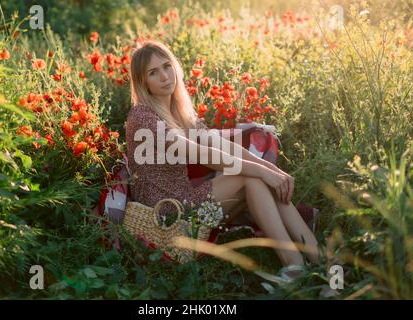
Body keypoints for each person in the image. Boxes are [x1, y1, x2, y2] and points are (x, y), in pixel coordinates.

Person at [125, 40, 321, 273]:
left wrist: (274, 172)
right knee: (250, 178)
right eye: (153, 73)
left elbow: (222, 146)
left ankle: (319, 259)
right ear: (143, 82)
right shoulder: (142, 116)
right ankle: (296, 265)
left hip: (185, 198)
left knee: (260, 179)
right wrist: (263, 172)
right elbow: (202, 154)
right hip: (163, 211)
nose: (165, 76)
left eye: (167, 66)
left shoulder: (179, 111)